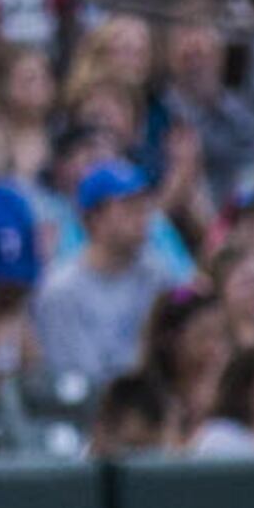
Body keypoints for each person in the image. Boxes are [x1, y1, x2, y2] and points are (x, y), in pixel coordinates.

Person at [34, 162, 190, 386]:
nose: (141, 216)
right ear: (94, 218)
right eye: (129, 206)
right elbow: (76, 380)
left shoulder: (158, 275)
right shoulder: (61, 291)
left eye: (143, 206)